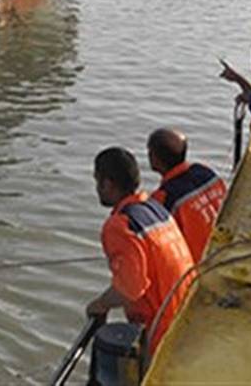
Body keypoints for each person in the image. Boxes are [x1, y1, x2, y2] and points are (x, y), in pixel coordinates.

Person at [86, 146, 194, 354]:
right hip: (185, 314)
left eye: (97, 181)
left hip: (161, 332)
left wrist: (100, 304)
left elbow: (131, 288)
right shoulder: (155, 208)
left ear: (107, 183)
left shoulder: (119, 226)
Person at [147, 128, 227, 263]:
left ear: (154, 157)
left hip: (201, 264)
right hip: (228, 247)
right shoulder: (206, 172)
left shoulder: (164, 198)